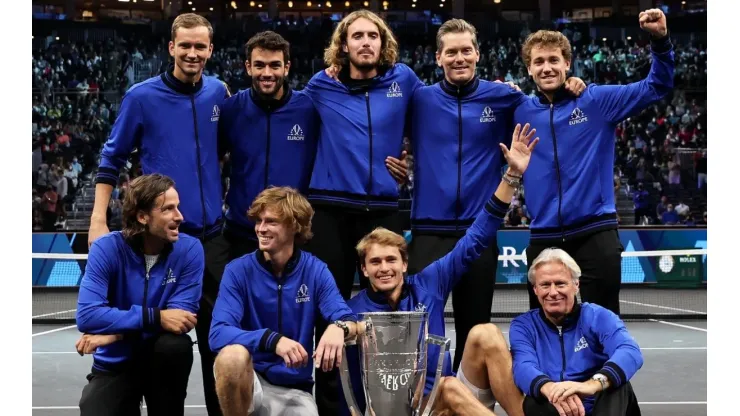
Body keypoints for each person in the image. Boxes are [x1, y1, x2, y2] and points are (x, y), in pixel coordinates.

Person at [407, 18, 585, 373]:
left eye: (466, 50)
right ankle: (420, 400)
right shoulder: (418, 99)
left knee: (475, 330)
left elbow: (543, 104)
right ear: (438, 57)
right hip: (428, 232)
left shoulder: (504, 97)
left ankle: (466, 403)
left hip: (479, 231)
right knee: (417, 328)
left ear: (477, 54)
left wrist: (571, 86)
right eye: (452, 52)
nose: (460, 58)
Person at [340, 123, 541, 416]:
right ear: (364, 270)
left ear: (405, 264)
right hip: (387, 411)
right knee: (448, 387)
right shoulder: (352, 310)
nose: (385, 268)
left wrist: (512, 176)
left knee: (484, 334)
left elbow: (476, 239)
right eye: (375, 262)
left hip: (442, 403)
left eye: (391, 260)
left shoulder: (428, 284)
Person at [89, 14, 230, 415]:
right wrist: (98, 220)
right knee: (164, 340)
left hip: (213, 239)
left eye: (200, 46)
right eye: (184, 45)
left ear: (210, 50)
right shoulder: (141, 96)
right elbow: (111, 158)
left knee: (216, 342)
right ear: (171, 48)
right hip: (164, 242)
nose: (192, 53)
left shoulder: (219, 92)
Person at [514, 9, 674, 314]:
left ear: (567, 64)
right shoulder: (518, 109)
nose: (546, 68)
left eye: (553, 60)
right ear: (529, 69)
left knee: (602, 325)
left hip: (594, 234)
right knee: (547, 330)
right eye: (539, 62)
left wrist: (660, 41)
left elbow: (657, 87)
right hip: (543, 237)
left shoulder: (596, 100)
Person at [301, 9, 419, 414]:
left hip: (383, 210)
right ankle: (332, 407)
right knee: (325, 314)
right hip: (331, 211)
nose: (365, 42)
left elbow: (438, 116)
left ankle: (391, 405)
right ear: (344, 44)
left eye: (373, 35)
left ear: (382, 43)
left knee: (389, 311)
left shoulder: (404, 80)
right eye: (357, 36)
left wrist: (409, 162)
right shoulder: (321, 84)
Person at [208, 186, 361, 416]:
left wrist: (338, 327)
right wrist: (271, 339)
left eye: (271, 222)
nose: (261, 228)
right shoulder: (238, 271)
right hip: (251, 383)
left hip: (294, 390)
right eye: (259, 221)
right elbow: (217, 334)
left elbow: (348, 319)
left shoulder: (315, 270)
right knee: (231, 357)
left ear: (294, 225)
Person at [75, 174, 204, 416]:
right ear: (143, 217)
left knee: (175, 345)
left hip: (161, 362)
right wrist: (157, 318)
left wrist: (114, 335)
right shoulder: (106, 248)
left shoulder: (190, 250)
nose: (180, 216)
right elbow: (87, 315)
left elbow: (179, 320)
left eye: (178, 207)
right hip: (116, 364)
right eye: (168, 209)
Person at [510, 248, 643, 416]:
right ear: (535, 289)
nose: (553, 292)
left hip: (599, 404)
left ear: (576, 285)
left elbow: (629, 351)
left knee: (618, 384)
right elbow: (523, 366)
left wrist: (590, 385)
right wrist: (551, 388)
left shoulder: (598, 316)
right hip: (557, 405)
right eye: (545, 285)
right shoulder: (523, 326)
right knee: (534, 401)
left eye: (560, 283)